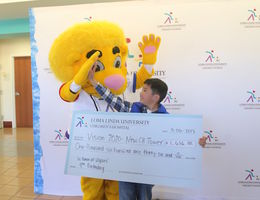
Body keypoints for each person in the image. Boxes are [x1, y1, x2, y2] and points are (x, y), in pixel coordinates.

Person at [88, 64, 207, 200]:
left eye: (144, 90)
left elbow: (179, 142)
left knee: (144, 196)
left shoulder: (166, 120)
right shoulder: (133, 108)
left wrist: (198, 143)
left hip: (149, 171)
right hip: (127, 166)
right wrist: (93, 82)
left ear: (155, 97)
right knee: (126, 196)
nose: (140, 93)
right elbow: (112, 99)